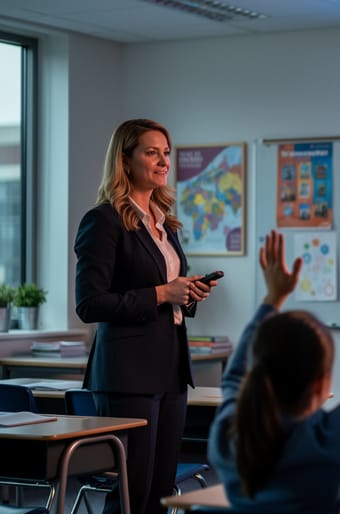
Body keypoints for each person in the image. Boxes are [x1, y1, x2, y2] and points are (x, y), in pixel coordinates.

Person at [207, 189, 340, 513]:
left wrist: (272, 299)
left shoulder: (227, 435)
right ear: (321, 384)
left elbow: (234, 375)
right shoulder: (329, 443)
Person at [74, 118, 216, 514]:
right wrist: (159, 293)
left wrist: (187, 294)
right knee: (131, 492)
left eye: (166, 153)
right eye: (152, 152)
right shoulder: (104, 220)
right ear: (125, 159)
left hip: (170, 370)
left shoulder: (163, 222)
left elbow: (166, 294)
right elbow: (89, 304)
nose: (163, 161)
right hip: (128, 374)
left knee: (159, 490)